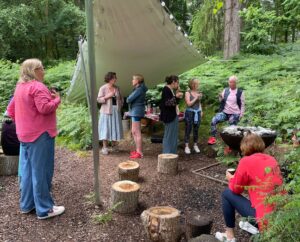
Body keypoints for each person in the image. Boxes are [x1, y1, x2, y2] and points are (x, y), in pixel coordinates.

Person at [7, 58, 65, 219]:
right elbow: (44, 108)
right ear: (34, 70)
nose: (44, 70)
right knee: (41, 171)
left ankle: (27, 205)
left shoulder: (19, 87)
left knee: (27, 171)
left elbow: (10, 111)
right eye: (41, 67)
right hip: (40, 135)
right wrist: (57, 99)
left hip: (24, 135)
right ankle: (45, 209)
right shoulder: (37, 86)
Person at [215, 133, 283, 242]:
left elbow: (236, 189)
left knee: (226, 194)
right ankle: (254, 227)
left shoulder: (246, 161)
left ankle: (229, 236)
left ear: (244, 147)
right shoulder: (272, 159)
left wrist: (230, 178)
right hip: (280, 216)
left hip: (264, 219)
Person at [208, 76, 245, 145]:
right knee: (214, 120)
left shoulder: (240, 92)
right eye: (230, 82)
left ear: (236, 83)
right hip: (225, 112)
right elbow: (221, 101)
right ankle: (213, 138)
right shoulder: (225, 90)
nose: (231, 83)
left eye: (232, 82)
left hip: (235, 113)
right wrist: (220, 97)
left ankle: (230, 144)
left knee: (231, 129)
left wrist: (241, 115)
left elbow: (242, 105)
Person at [97, 72, 123, 155]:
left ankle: (114, 146)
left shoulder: (117, 88)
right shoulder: (103, 88)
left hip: (116, 111)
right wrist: (108, 96)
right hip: (106, 112)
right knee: (106, 128)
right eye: (114, 78)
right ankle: (105, 148)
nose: (115, 79)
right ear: (109, 79)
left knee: (115, 127)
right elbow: (99, 99)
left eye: (116, 77)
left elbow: (121, 99)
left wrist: (120, 105)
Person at [159, 75, 183, 154]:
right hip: (169, 117)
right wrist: (176, 96)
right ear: (173, 82)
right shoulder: (166, 90)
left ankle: (172, 154)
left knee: (173, 136)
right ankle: (167, 154)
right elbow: (167, 103)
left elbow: (173, 103)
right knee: (169, 136)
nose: (178, 84)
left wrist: (177, 97)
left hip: (172, 115)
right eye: (177, 82)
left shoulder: (170, 90)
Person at [126, 74, 148, 159]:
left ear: (137, 81)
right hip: (135, 111)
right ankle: (137, 151)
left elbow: (128, 99)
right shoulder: (138, 89)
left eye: (133, 79)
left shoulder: (139, 89)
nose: (132, 81)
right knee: (134, 131)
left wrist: (129, 98)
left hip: (137, 111)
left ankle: (140, 152)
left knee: (137, 132)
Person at [184, 78, 203, 154]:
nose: (196, 85)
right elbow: (189, 104)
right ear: (192, 84)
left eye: (197, 84)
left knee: (196, 129)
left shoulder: (198, 92)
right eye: (195, 84)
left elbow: (199, 103)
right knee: (188, 129)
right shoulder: (187, 93)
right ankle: (186, 146)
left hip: (197, 113)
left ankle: (195, 145)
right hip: (189, 113)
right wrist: (196, 97)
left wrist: (201, 110)